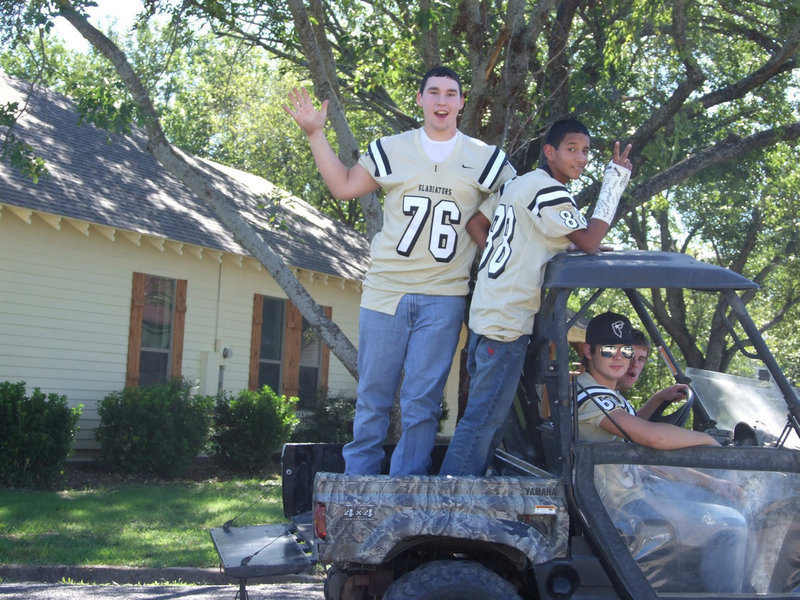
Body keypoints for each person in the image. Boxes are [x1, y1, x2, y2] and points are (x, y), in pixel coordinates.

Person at [283, 67, 516, 475]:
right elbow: (343, 185)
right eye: (434, 93)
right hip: (386, 291)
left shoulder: (485, 157)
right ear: (420, 99)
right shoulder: (393, 148)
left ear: (462, 102)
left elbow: (516, 197)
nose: (442, 101)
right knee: (373, 396)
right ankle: (358, 486)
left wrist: (488, 217)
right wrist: (314, 135)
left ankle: (406, 487)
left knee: (421, 401)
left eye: (450, 94)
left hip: (444, 295)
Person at [439, 118, 632, 476]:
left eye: (586, 151)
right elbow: (589, 241)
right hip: (508, 323)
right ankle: (449, 498)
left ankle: (463, 487)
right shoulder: (550, 191)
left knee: (488, 421)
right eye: (571, 149)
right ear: (550, 152)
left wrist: (505, 254)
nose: (581, 158)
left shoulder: (517, 185)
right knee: (482, 423)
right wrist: (615, 181)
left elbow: (476, 225)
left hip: (486, 314)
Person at [576, 312, 747, 594]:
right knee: (733, 524)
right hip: (622, 509)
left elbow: (646, 458)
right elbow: (653, 437)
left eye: (625, 350)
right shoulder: (594, 398)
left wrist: (714, 483)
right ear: (589, 351)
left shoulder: (606, 394)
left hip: (635, 493)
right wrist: (706, 439)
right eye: (608, 350)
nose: (619, 358)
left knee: (729, 501)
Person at [617, 328, 690, 420]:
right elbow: (627, 429)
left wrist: (659, 398)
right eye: (629, 356)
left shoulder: (616, 397)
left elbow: (631, 423)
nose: (635, 364)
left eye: (641, 359)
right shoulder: (600, 397)